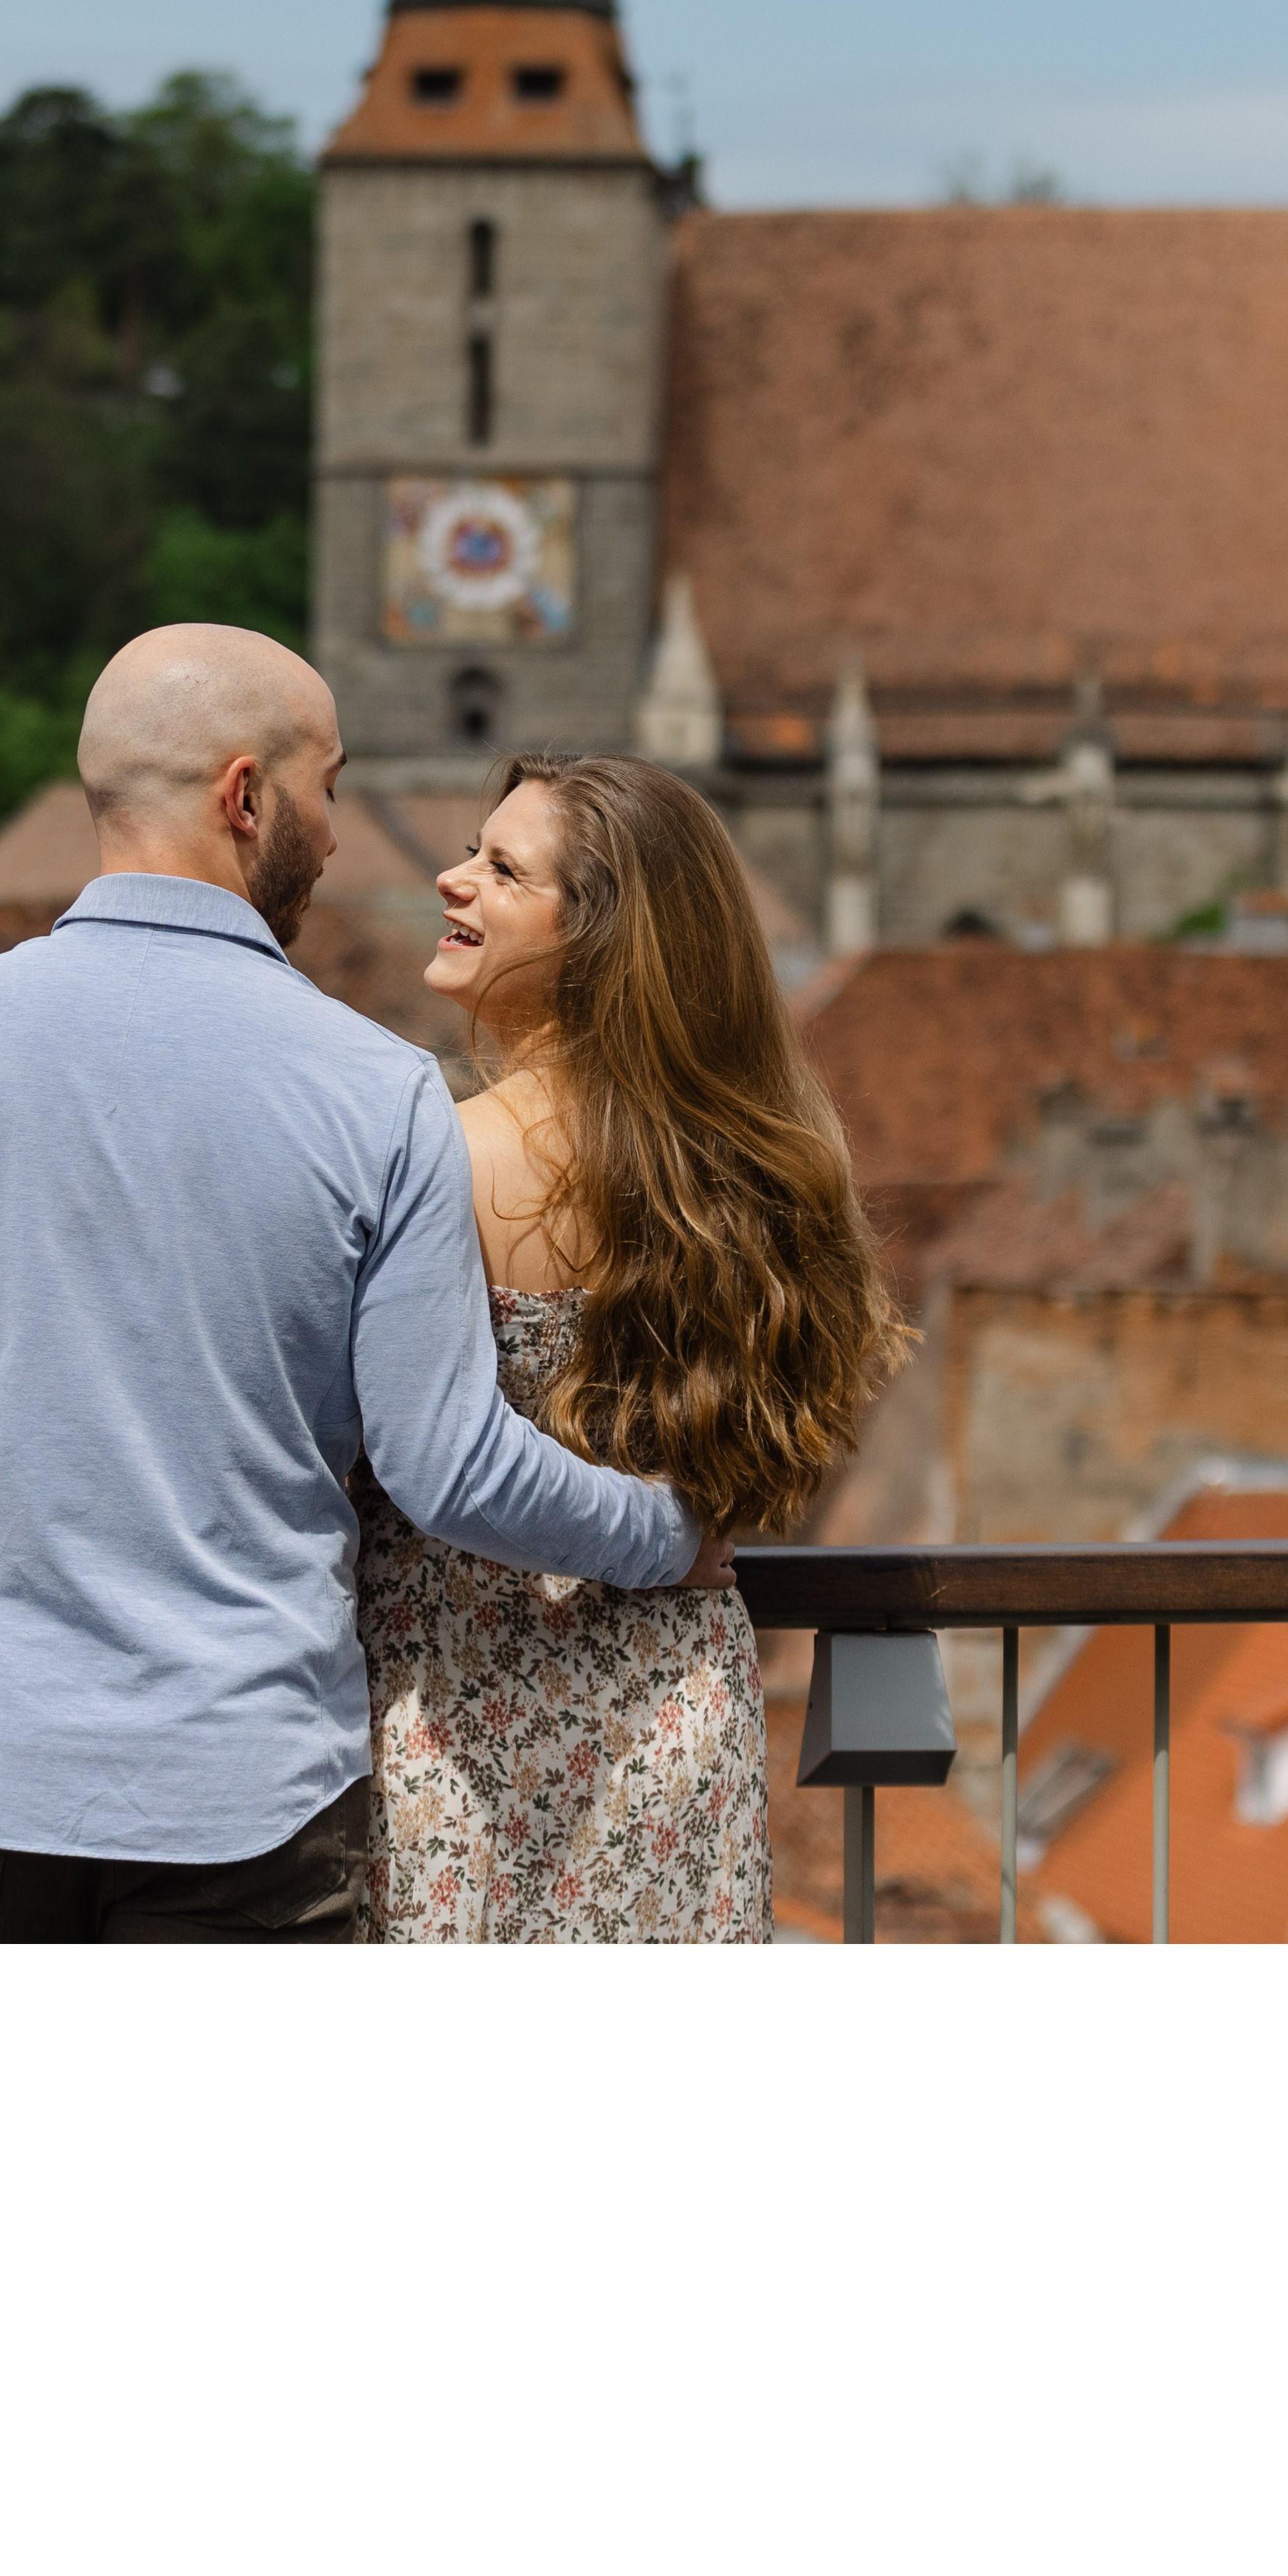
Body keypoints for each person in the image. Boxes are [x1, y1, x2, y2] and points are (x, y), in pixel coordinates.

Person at [0, 622, 722, 1944]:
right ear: (246, 797)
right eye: (327, 786)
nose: (341, 831)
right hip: (248, 1796)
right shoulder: (376, 1093)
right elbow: (447, 1466)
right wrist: (663, 1534)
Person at [365, 752, 900, 1941]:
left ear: (597, 938)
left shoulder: (437, 1159)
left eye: (501, 869)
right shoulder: (748, 1174)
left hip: (462, 1723)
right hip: (673, 1720)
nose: (452, 879)